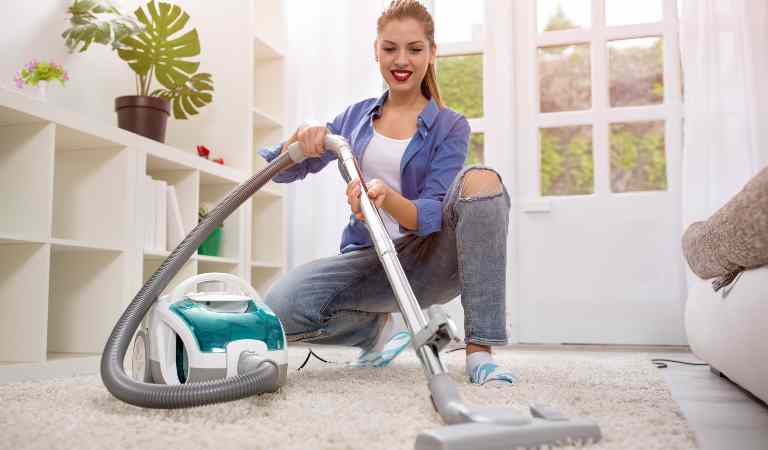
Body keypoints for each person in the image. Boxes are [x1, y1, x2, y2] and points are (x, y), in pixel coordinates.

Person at [257, 0, 516, 385]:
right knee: (279, 307)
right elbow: (280, 174)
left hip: (427, 257)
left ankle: (480, 352)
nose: (402, 60)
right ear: (376, 51)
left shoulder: (450, 126)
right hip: (370, 259)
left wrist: (386, 199)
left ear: (432, 52)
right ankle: (377, 331)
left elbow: (430, 212)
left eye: (414, 49)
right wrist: (300, 138)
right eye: (390, 48)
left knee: (483, 180)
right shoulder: (354, 119)